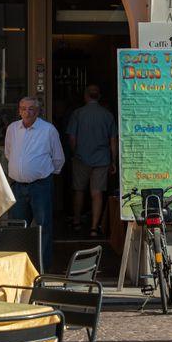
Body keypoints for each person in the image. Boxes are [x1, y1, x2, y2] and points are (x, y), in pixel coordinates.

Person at [4, 97, 64, 269]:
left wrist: (42, 174)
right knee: (18, 227)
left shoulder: (48, 130)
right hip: (17, 185)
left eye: (31, 109)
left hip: (40, 185)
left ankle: (41, 267)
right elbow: (9, 153)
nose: (27, 112)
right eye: (23, 109)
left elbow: (58, 158)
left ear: (38, 112)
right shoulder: (13, 129)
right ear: (19, 110)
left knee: (43, 227)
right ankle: (20, 266)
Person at [66, 85, 118, 237]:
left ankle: (76, 222)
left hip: (81, 157)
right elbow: (113, 140)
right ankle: (94, 228)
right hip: (101, 159)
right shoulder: (107, 115)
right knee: (97, 193)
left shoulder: (78, 113)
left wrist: (75, 153)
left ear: (85, 96)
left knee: (79, 190)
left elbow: (72, 137)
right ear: (99, 96)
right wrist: (113, 160)